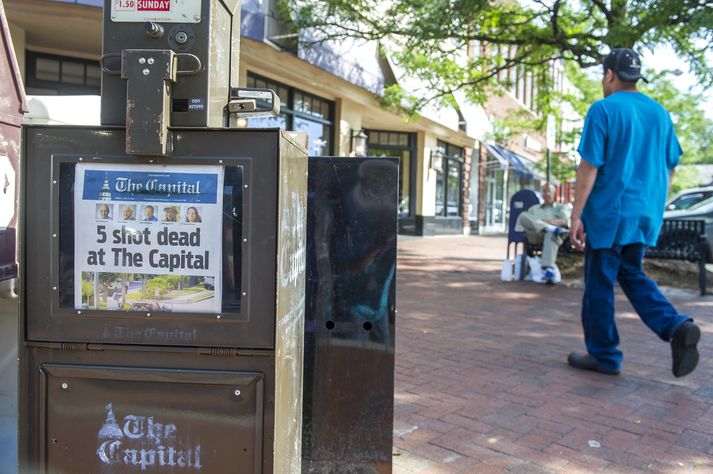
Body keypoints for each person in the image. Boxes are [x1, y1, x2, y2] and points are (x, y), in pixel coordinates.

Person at [568, 48, 700, 378]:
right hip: (643, 216)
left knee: (598, 284)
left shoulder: (603, 109)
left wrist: (576, 215)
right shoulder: (660, 113)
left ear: (610, 75)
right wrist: (653, 207)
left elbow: (589, 166)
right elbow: (670, 167)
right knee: (631, 273)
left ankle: (604, 355)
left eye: (603, 75)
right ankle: (676, 326)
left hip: (609, 214)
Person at [516, 183, 571, 284]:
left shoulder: (560, 207)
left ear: (554, 193)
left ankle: (548, 268)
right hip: (536, 235)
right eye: (544, 191)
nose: (547, 194)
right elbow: (527, 221)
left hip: (555, 236)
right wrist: (546, 225)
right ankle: (548, 228)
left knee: (550, 234)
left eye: (549, 191)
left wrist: (540, 222)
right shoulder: (534, 208)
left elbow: (563, 221)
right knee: (523, 215)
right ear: (541, 194)